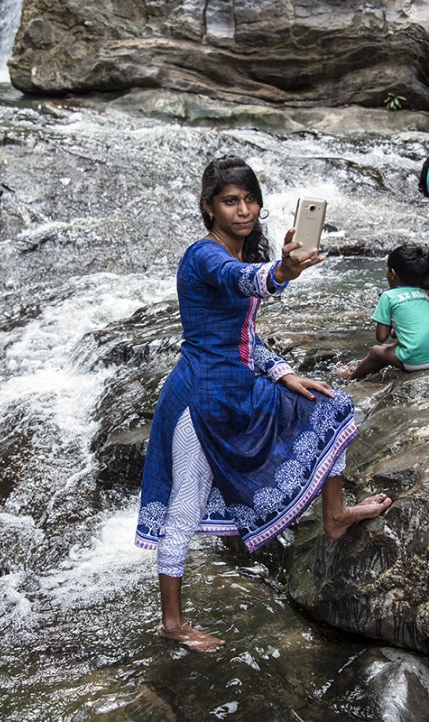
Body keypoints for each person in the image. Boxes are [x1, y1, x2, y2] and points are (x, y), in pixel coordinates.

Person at [135, 156, 392, 653]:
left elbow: (246, 336)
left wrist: (285, 372)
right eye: (231, 201)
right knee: (184, 510)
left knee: (331, 404)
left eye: (250, 199)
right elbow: (242, 279)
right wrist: (282, 270)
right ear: (209, 208)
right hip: (199, 401)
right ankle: (172, 623)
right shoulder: (203, 256)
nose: (244, 209)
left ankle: (335, 515)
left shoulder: (238, 251)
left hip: (239, 391)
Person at [336, 244, 429, 381]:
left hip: (415, 362)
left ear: (392, 274)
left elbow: (381, 336)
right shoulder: (423, 293)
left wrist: (389, 322)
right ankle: (364, 368)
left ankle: (350, 376)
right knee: (391, 347)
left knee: (376, 351)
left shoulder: (388, 296)